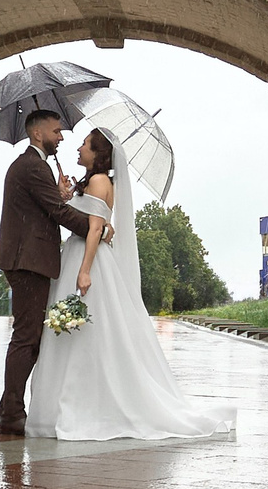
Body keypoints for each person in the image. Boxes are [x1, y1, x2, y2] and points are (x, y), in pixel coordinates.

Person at [27, 126, 235, 441]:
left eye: (84, 145)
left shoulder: (99, 181)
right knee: (79, 331)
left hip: (87, 259)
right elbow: (90, 221)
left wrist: (84, 271)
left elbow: (95, 229)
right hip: (82, 255)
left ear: (98, 153)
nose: (79, 149)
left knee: (81, 332)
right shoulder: (96, 182)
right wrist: (65, 195)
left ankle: (80, 405)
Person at [0, 107, 90, 437]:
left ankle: (7, 410)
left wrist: (61, 193)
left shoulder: (35, 167)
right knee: (26, 338)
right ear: (38, 134)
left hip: (28, 260)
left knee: (30, 337)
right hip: (27, 261)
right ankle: (12, 416)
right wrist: (96, 228)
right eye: (56, 131)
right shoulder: (32, 166)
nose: (61, 137)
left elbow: (50, 205)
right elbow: (57, 212)